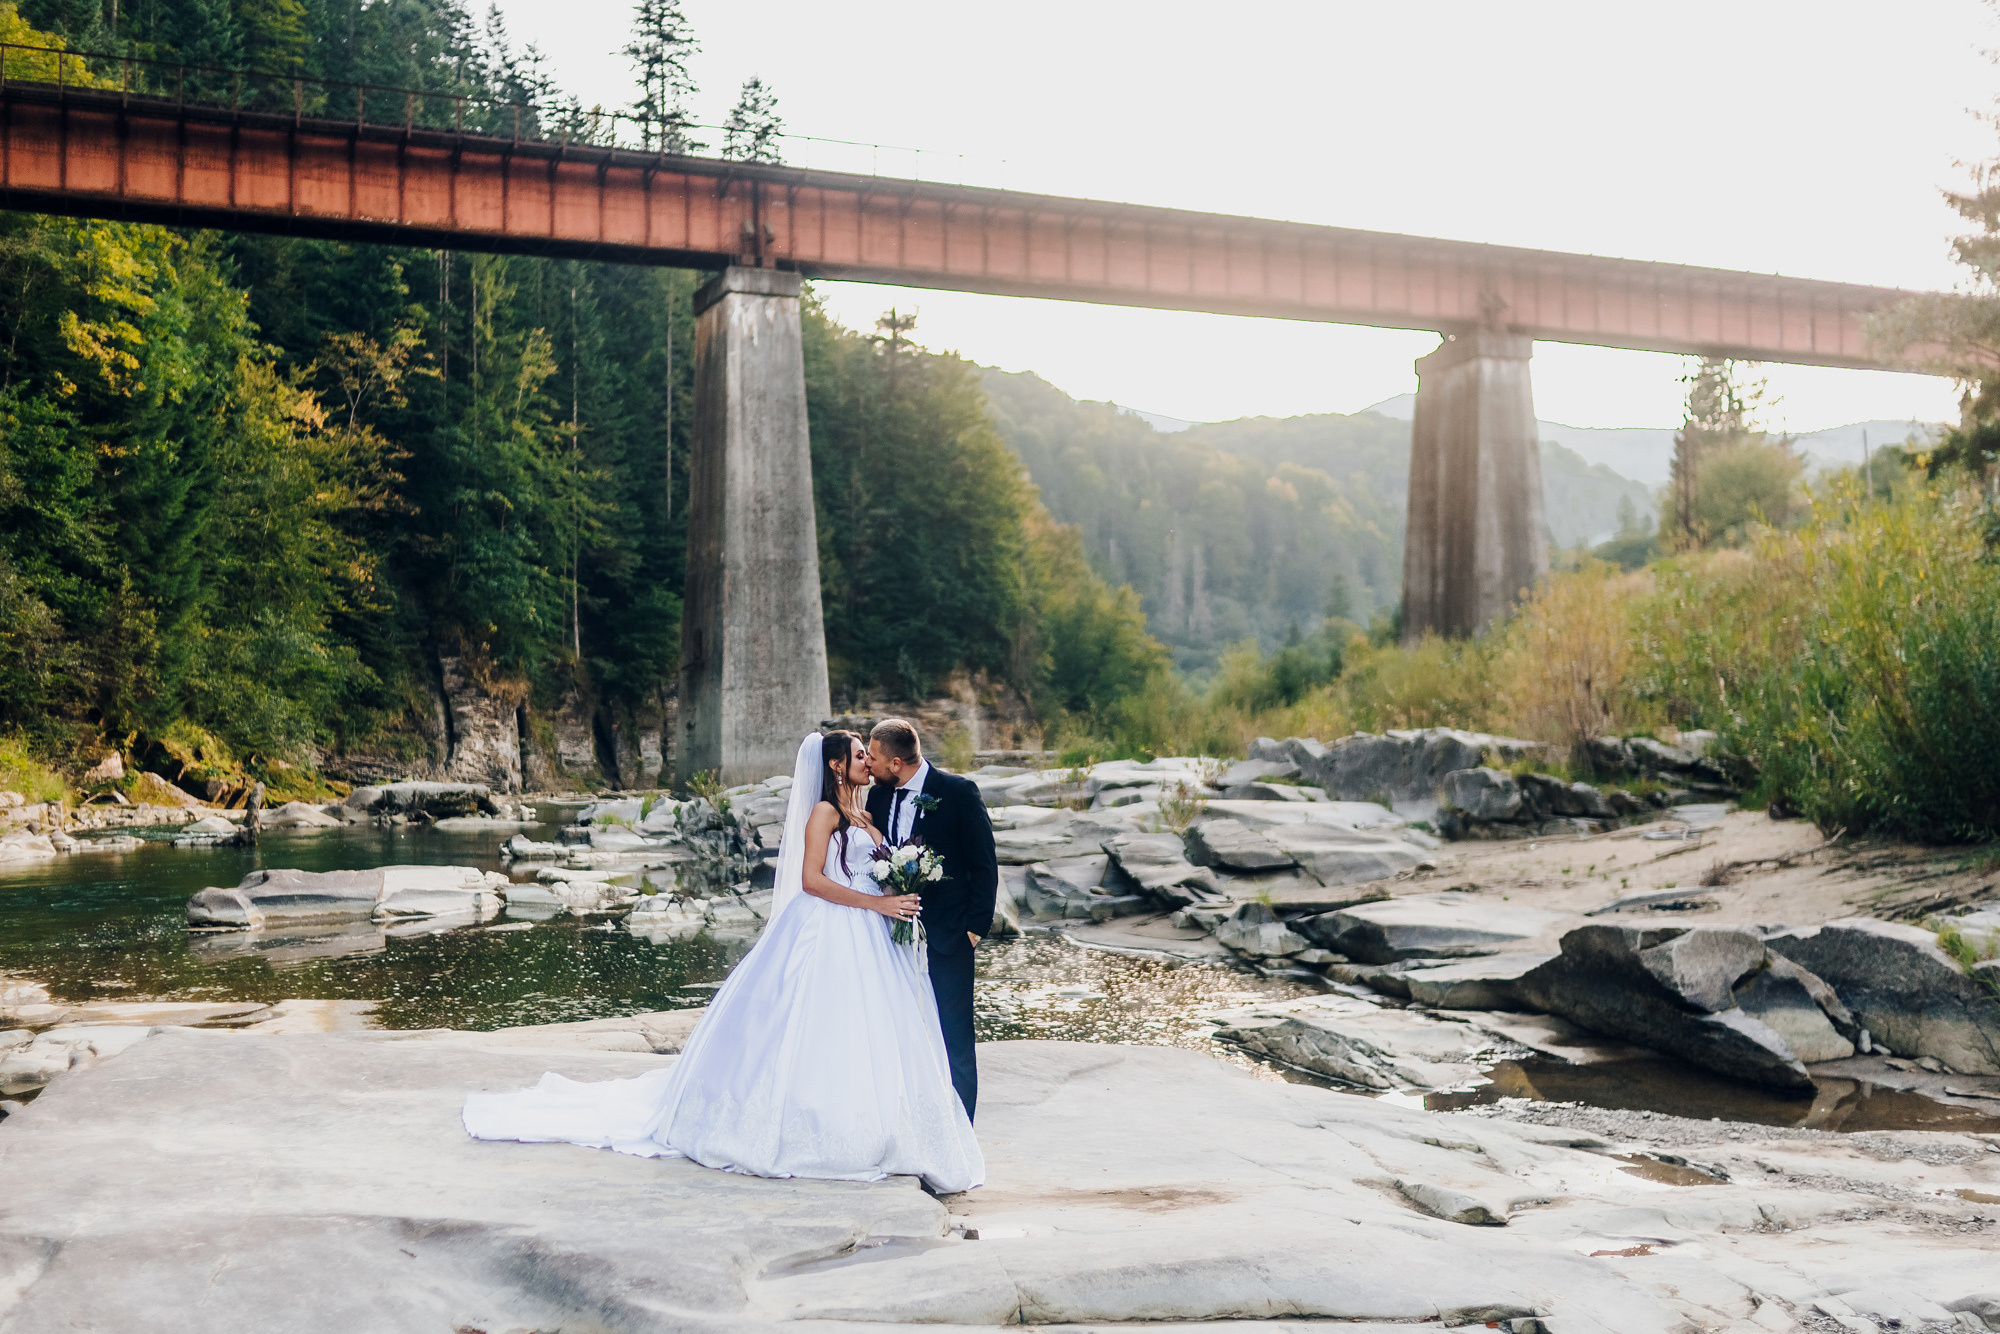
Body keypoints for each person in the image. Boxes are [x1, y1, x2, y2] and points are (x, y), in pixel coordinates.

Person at [460, 731, 984, 1194]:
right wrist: (877, 903)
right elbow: (811, 881)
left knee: (868, 1032)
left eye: (869, 753)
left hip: (871, 935)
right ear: (835, 765)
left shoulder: (865, 813)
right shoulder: (824, 813)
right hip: (832, 927)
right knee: (816, 1028)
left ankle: (879, 1126)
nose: (868, 760)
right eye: (859, 754)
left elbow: (876, 869)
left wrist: (898, 887)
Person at [863, 718, 998, 1122]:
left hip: (949, 935)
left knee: (954, 1036)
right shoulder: (878, 796)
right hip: (890, 935)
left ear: (897, 763)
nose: (868, 764)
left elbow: (984, 864)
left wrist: (974, 929)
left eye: (873, 757)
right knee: (901, 1030)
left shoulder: (957, 792)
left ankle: (961, 1130)